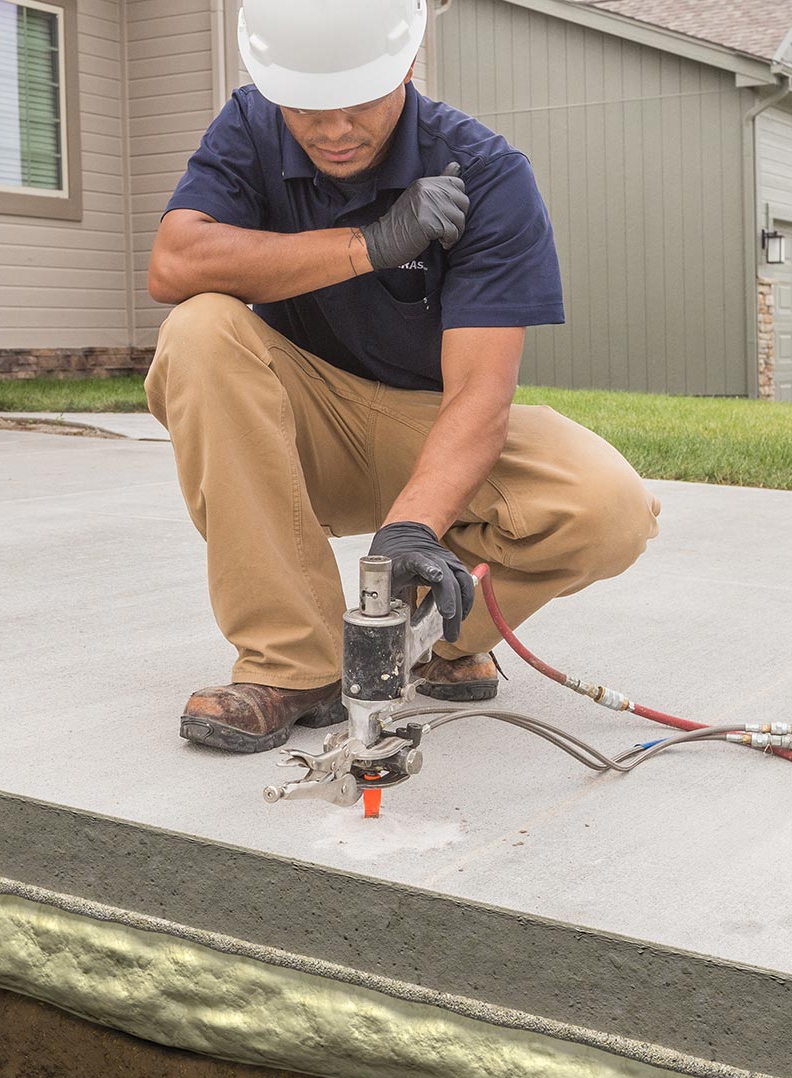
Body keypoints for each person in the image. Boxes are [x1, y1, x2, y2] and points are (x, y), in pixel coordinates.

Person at [147, 0, 662, 754]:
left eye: (359, 104)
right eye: (310, 109)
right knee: (198, 330)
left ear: (408, 66)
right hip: (300, 427)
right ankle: (293, 665)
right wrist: (370, 243)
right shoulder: (250, 124)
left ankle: (431, 638)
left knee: (608, 508)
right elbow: (175, 263)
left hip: (434, 424)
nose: (334, 131)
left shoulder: (487, 173)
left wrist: (411, 529)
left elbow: (481, 396)